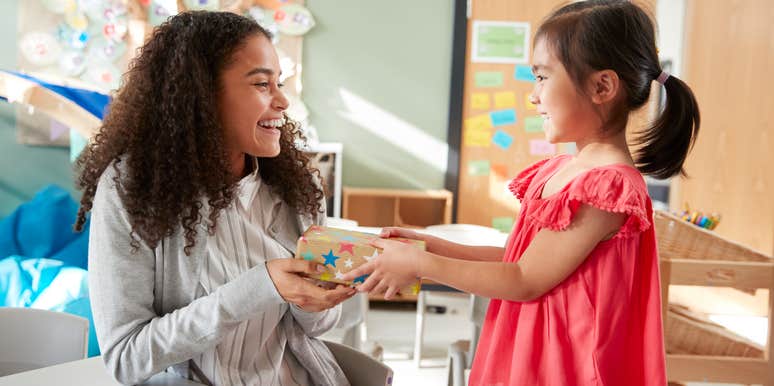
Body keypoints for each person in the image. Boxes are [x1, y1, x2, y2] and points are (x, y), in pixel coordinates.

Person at [344, 1, 700, 385]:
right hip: (530, 349)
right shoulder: (563, 169)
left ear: (602, 86)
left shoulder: (607, 188)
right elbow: (520, 258)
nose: (533, 96)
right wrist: (431, 247)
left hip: (564, 367)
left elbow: (525, 278)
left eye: (543, 78)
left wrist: (420, 265)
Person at [74, 11, 355, 386]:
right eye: (261, 84)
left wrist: (312, 300)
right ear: (202, 95)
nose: (282, 101)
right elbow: (127, 358)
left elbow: (317, 328)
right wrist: (259, 287)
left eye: (280, 83)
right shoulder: (132, 189)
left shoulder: (297, 187)